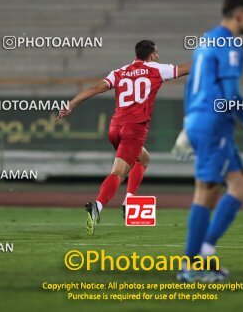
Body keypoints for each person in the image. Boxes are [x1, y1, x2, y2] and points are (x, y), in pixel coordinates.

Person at [173, 0, 243, 282]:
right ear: (239, 14)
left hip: (203, 120)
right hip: (215, 123)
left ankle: (204, 250)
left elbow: (192, 87)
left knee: (240, 185)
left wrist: (189, 124)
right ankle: (190, 267)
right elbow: (231, 95)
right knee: (206, 192)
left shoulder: (205, 40)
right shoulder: (230, 45)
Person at [57, 40, 190, 235]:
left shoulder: (120, 72)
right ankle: (98, 207)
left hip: (115, 128)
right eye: (157, 53)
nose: (158, 57)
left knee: (143, 158)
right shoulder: (156, 69)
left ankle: (129, 200)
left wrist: (71, 104)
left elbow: (95, 88)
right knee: (118, 173)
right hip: (134, 128)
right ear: (152, 54)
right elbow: (186, 69)